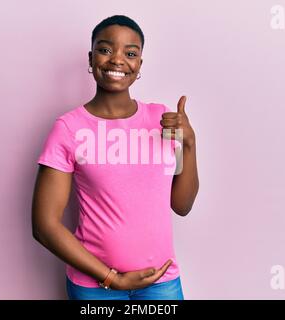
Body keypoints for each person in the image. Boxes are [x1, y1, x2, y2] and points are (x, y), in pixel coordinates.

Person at [31, 15, 199, 300]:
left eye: (130, 53)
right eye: (106, 49)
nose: (117, 60)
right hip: (96, 286)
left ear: (139, 65)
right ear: (91, 57)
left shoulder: (162, 119)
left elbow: (181, 205)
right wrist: (112, 278)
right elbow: (44, 226)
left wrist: (190, 143)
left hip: (161, 282)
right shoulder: (69, 128)